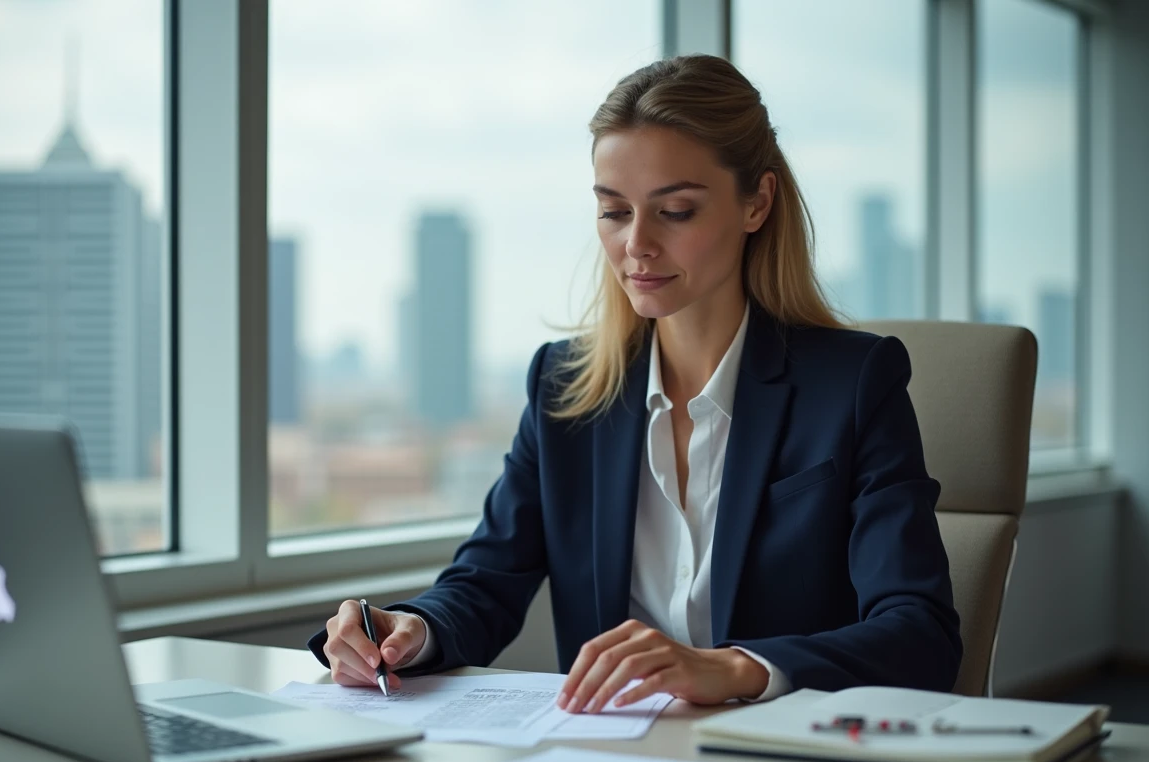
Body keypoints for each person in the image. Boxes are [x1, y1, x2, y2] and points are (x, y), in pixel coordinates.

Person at [308, 54, 961, 714]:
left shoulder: (853, 384)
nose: (636, 244)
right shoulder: (564, 388)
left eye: (675, 211)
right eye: (614, 211)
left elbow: (921, 635)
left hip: (780, 747)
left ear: (757, 203)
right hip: (612, 752)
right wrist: (410, 630)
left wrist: (733, 668)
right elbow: (485, 583)